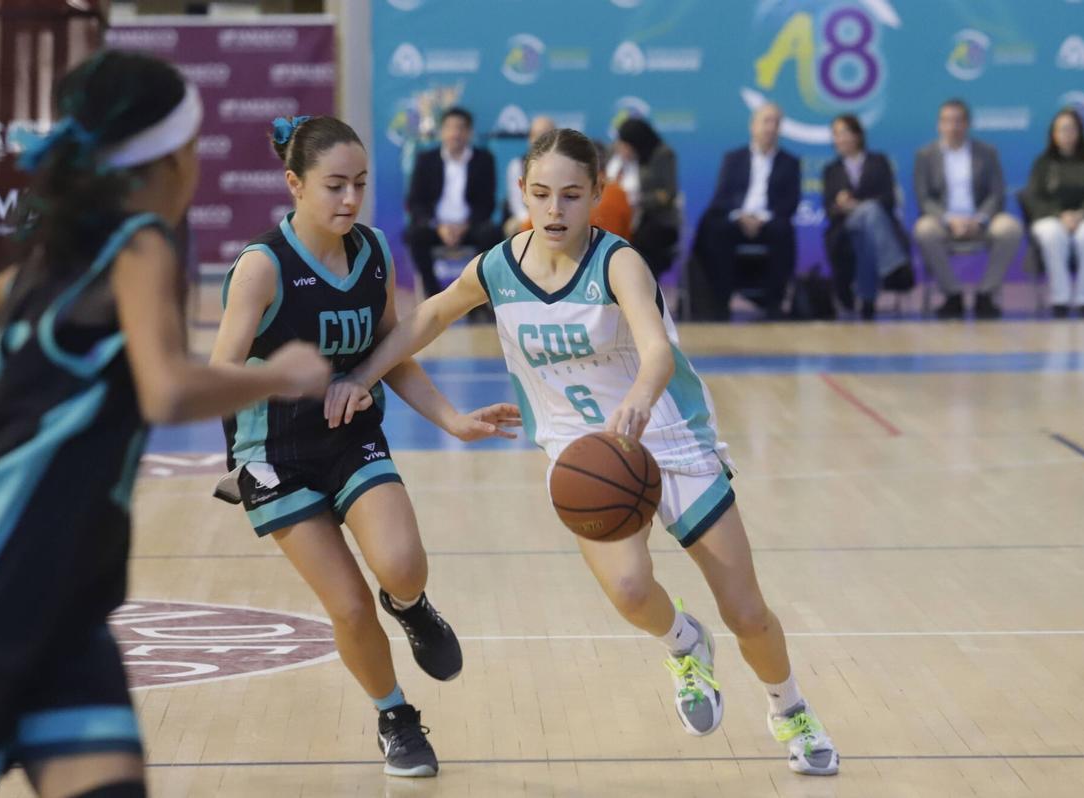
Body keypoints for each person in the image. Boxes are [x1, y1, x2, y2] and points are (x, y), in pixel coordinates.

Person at [325, 129, 840, 777]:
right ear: (523, 194)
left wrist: (642, 401)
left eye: (572, 195)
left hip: (667, 437)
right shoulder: (498, 268)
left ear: (599, 193)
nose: (555, 210)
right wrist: (358, 377)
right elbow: (427, 318)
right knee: (628, 589)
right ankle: (685, 642)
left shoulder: (619, 261)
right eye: (541, 194)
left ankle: (788, 707)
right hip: (581, 455)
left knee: (745, 610)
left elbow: (655, 349)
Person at [0, 50, 330, 797]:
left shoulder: (33, 267)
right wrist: (280, 375)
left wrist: (22, 407)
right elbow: (169, 392)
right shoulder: (143, 243)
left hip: (68, 610)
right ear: (177, 158)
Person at [209, 114, 520, 779]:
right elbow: (220, 374)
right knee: (347, 605)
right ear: (295, 184)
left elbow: (393, 354)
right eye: (334, 186)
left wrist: (453, 421)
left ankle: (408, 607)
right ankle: (396, 717)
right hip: (275, 452)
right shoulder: (261, 269)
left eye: (359, 184)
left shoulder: (374, 250)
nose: (349, 199)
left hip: (351, 435)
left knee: (402, 565)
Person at [913, 98, 1023, 319]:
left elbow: (996, 193)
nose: (952, 127)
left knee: (1010, 228)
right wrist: (948, 220)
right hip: (944, 221)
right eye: (947, 121)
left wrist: (980, 219)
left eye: (958, 121)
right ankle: (953, 294)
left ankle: (985, 293)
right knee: (924, 229)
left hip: (981, 220)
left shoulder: (987, 152)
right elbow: (924, 199)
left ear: (967, 125)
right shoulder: (925, 156)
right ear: (939, 125)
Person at [692, 103, 801, 320]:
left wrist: (760, 219)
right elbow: (721, 198)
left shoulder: (790, 162)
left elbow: (790, 203)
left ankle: (774, 304)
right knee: (714, 228)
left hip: (769, 222)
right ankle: (719, 302)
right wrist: (740, 216)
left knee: (783, 231)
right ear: (753, 126)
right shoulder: (734, 159)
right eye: (766, 121)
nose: (770, 128)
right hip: (736, 219)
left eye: (775, 123)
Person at [1024, 108, 1084, 318]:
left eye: (1071, 129)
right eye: (1061, 130)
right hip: (1052, 218)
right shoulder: (1043, 162)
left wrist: (1083, 213)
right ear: (1053, 134)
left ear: (1080, 132)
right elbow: (1034, 198)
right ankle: (1060, 299)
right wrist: (1059, 215)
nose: (1066, 134)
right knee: (1052, 234)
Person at [404, 106, 503, 297]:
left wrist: (465, 226)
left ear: (469, 132)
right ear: (442, 132)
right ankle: (432, 295)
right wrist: (438, 225)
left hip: (470, 227)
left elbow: (487, 203)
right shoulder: (426, 160)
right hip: (436, 227)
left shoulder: (484, 160)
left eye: (460, 128)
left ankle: (477, 298)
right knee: (414, 235)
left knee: (492, 234)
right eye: (449, 127)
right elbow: (416, 202)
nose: (455, 133)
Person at [822, 114, 912, 320]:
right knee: (867, 213)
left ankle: (867, 300)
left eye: (844, 132)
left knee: (866, 233)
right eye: (836, 134)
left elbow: (888, 199)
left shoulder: (879, 162)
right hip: (844, 227)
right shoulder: (831, 170)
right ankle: (892, 265)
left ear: (857, 135)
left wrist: (860, 205)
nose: (840, 139)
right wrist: (842, 205)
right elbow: (829, 210)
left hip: (875, 229)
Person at [608, 118, 681, 277]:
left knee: (642, 242)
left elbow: (668, 194)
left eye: (628, 146)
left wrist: (635, 200)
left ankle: (641, 288)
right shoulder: (613, 153)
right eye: (621, 144)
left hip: (653, 220)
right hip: (615, 216)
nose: (623, 149)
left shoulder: (662, 154)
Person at [504, 115, 556, 237]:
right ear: (530, 138)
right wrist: (529, 220)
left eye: (547, 135)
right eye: (537, 135)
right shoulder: (516, 165)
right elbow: (517, 202)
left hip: (556, 214)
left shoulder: (566, 167)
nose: (541, 140)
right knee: (511, 226)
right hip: (526, 216)